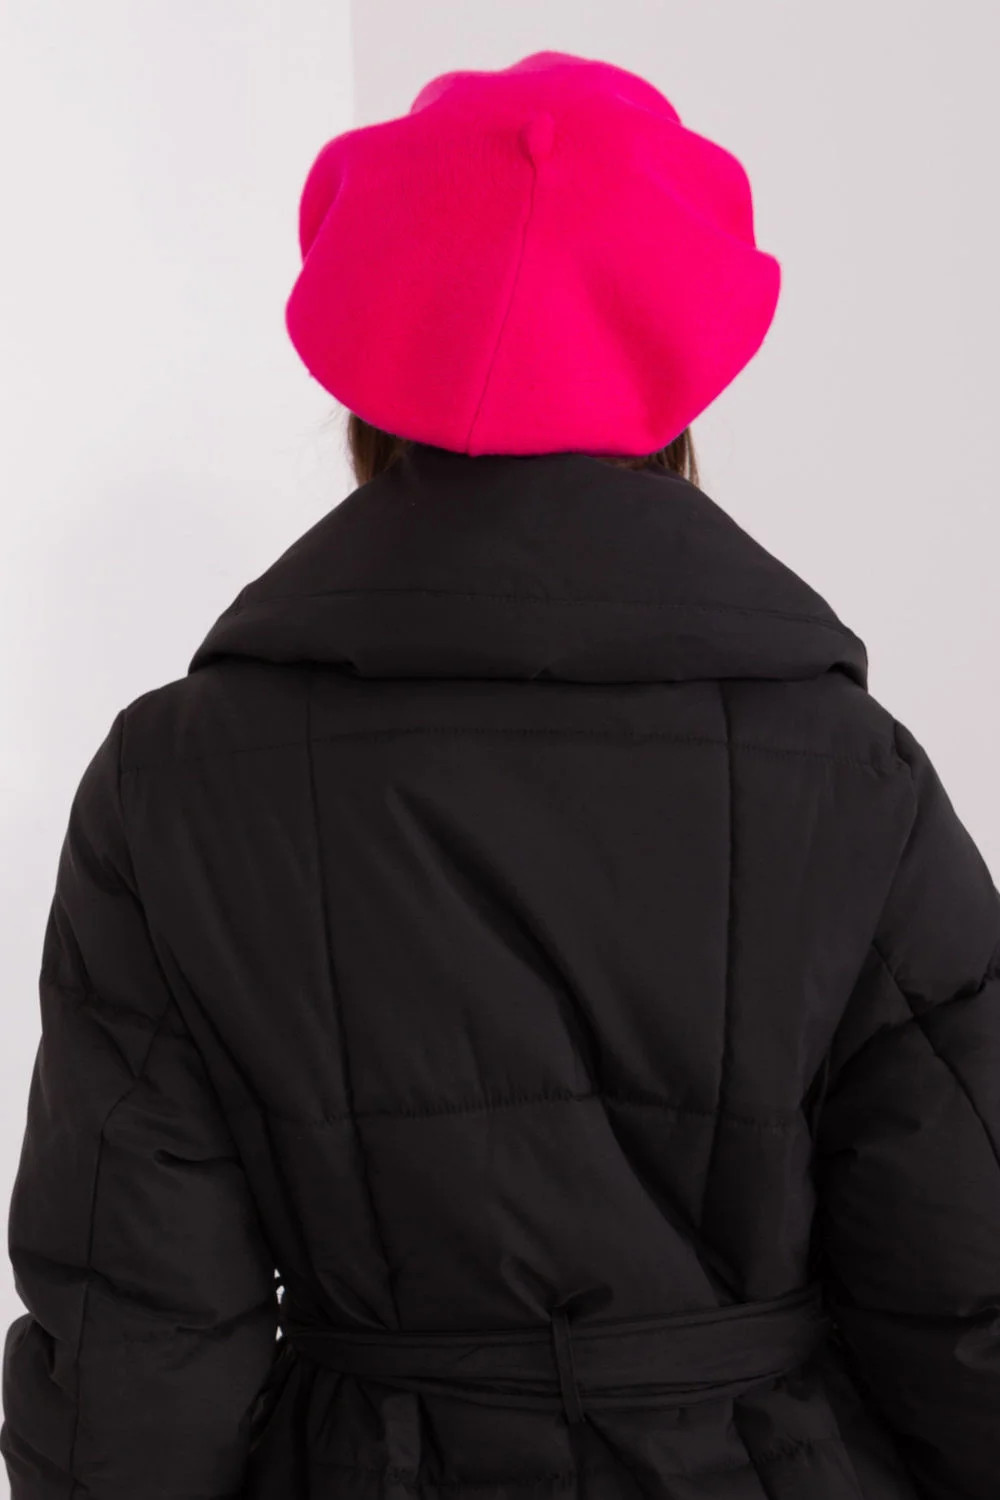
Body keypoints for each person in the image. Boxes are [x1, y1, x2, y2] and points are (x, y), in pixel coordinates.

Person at [2, 47, 998, 1500]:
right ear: (675, 400)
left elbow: (131, 1353)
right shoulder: (850, 777)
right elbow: (967, 1295)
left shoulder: (174, 788)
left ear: (371, 391)